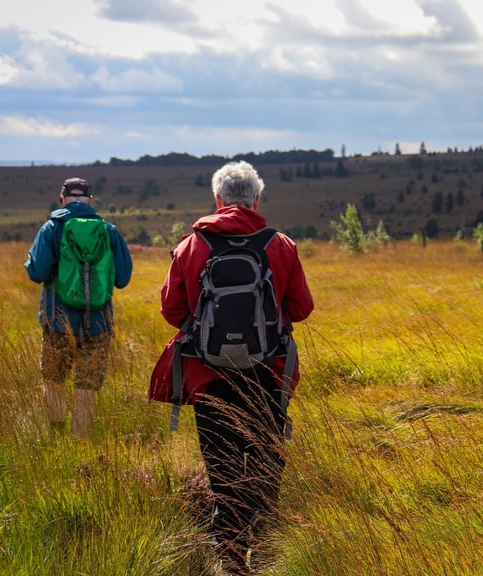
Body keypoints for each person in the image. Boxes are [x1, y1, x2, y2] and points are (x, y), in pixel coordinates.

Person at [156, 161, 313, 571]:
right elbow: (302, 308)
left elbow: (172, 309)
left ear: (217, 200)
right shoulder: (281, 245)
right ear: (257, 199)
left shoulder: (191, 246)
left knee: (221, 464)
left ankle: (228, 553)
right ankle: (263, 546)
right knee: (265, 456)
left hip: (209, 376)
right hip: (268, 374)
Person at [25, 178, 133, 438]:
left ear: (62, 199)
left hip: (57, 322)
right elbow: (123, 278)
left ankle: (57, 437)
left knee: (53, 380)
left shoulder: (51, 228)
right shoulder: (109, 230)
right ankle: (80, 443)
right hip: (98, 324)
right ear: (90, 201)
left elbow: (37, 272)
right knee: (86, 387)